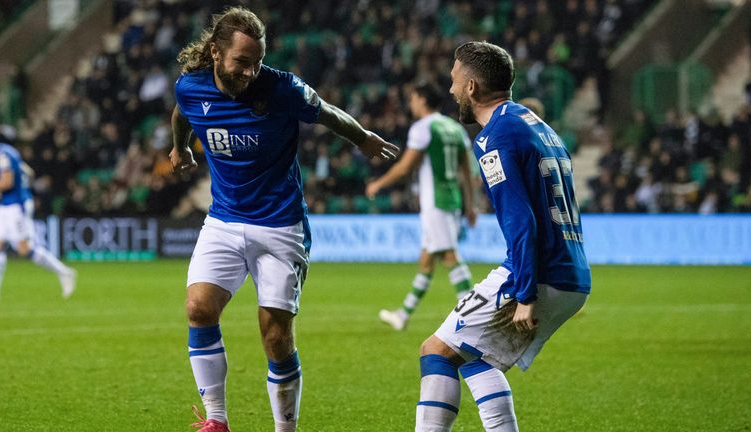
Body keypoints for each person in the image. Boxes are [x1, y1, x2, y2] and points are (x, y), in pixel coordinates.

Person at [169, 7, 398, 432]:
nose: (251, 72)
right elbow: (182, 114)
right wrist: (181, 148)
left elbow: (328, 112)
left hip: (280, 225)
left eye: (257, 62)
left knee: (275, 337)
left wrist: (363, 138)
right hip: (223, 219)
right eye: (242, 62)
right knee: (199, 308)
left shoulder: (282, 88)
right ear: (216, 54)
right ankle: (216, 421)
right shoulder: (190, 87)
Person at [414, 42, 591, 431]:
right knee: (478, 358)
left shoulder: (494, 136)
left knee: (437, 352)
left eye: (455, 81)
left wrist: (525, 292)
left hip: (538, 274)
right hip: (572, 273)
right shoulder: (534, 123)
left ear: (473, 87)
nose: (451, 90)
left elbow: (521, 221)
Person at [365, 82, 477, 331]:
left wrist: (378, 184)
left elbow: (405, 167)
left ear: (423, 100)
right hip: (452, 199)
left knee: (450, 256)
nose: (411, 103)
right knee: (426, 260)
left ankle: (471, 316)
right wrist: (471, 205)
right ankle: (402, 315)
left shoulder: (423, 128)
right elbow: (467, 171)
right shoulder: (454, 128)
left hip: (435, 202)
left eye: (414, 98)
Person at [0, 130, 76, 302]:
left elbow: (7, 182)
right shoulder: (5, 153)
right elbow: (28, 172)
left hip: (16, 206)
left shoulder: (3, 155)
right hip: (6, 204)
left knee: (24, 249)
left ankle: (65, 272)